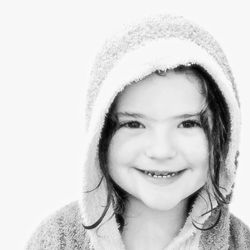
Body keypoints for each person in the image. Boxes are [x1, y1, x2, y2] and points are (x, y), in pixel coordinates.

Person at [26, 14, 250, 250]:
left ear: (225, 136)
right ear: (99, 134)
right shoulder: (57, 240)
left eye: (188, 124)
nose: (161, 151)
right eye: (134, 124)